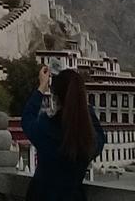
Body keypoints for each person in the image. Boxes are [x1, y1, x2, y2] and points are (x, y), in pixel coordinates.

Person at [22, 66, 105, 201]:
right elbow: (100, 134)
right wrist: (83, 105)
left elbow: (27, 118)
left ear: (56, 98)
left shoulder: (45, 128)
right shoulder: (87, 140)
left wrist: (42, 87)